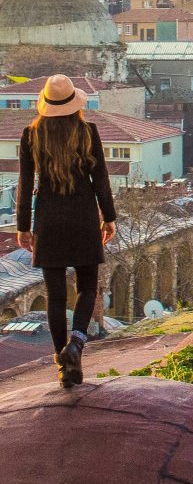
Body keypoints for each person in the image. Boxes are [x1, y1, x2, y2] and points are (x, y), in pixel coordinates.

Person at [16, 74, 117, 388]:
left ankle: (64, 365)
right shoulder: (88, 132)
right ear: (75, 104)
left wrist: (23, 227)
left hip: (48, 220)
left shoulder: (31, 134)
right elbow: (100, 178)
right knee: (88, 288)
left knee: (56, 296)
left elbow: (24, 185)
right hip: (84, 216)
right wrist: (109, 218)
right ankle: (76, 345)